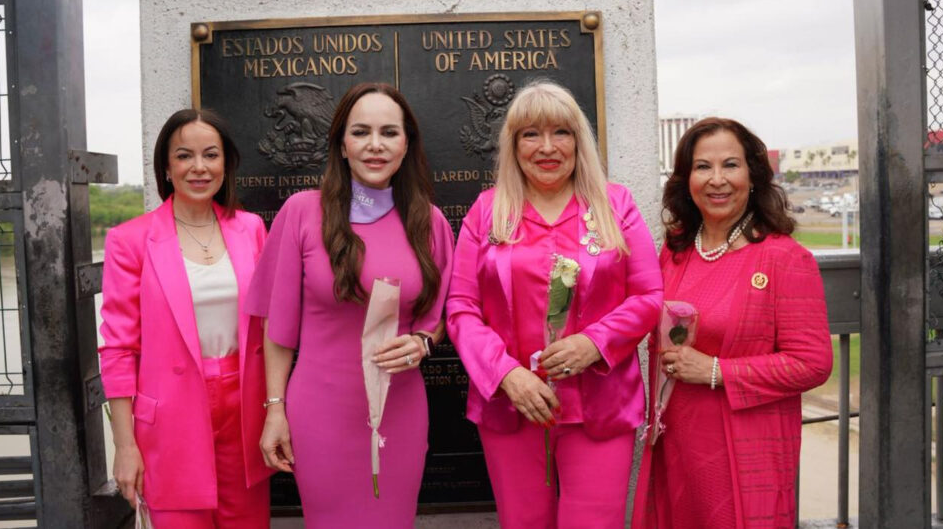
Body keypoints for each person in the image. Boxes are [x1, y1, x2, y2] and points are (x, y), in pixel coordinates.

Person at [446, 81, 663, 529]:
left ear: (578, 141)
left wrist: (595, 342)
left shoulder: (614, 205)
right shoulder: (487, 212)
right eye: (531, 134)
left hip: (600, 406)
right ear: (513, 144)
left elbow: (648, 296)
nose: (547, 147)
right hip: (513, 405)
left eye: (561, 132)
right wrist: (505, 374)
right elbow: (461, 307)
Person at [246, 83, 454, 528]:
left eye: (389, 133)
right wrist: (275, 410)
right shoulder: (302, 213)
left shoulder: (430, 222)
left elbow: (435, 320)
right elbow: (278, 329)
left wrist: (420, 341)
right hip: (319, 412)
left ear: (406, 145)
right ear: (342, 144)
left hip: (401, 409)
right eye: (361, 132)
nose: (375, 145)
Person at [631, 117, 833, 529]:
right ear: (686, 179)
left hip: (742, 447)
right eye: (703, 167)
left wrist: (717, 371)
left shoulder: (783, 258)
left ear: (753, 175)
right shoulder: (675, 251)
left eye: (731, 165)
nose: (717, 180)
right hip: (676, 441)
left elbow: (813, 362)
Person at [99, 109, 272, 528]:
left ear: (226, 164)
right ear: (166, 166)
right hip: (171, 418)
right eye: (184, 156)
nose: (199, 167)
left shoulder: (250, 229)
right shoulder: (129, 241)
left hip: (245, 407)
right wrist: (125, 446)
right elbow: (119, 349)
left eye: (210, 155)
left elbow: (270, 327)